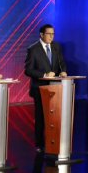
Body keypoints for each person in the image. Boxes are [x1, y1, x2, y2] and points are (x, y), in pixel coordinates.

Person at [24, 24, 66, 152]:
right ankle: (40, 144)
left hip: (55, 88)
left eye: (53, 34)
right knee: (41, 117)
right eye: (49, 34)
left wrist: (63, 71)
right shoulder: (33, 49)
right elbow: (28, 70)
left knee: (54, 116)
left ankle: (53, 141)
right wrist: (44, 75)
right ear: (41, 35)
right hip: (40, 88)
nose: (51, 37)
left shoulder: (56, 47)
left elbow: (61, 63)